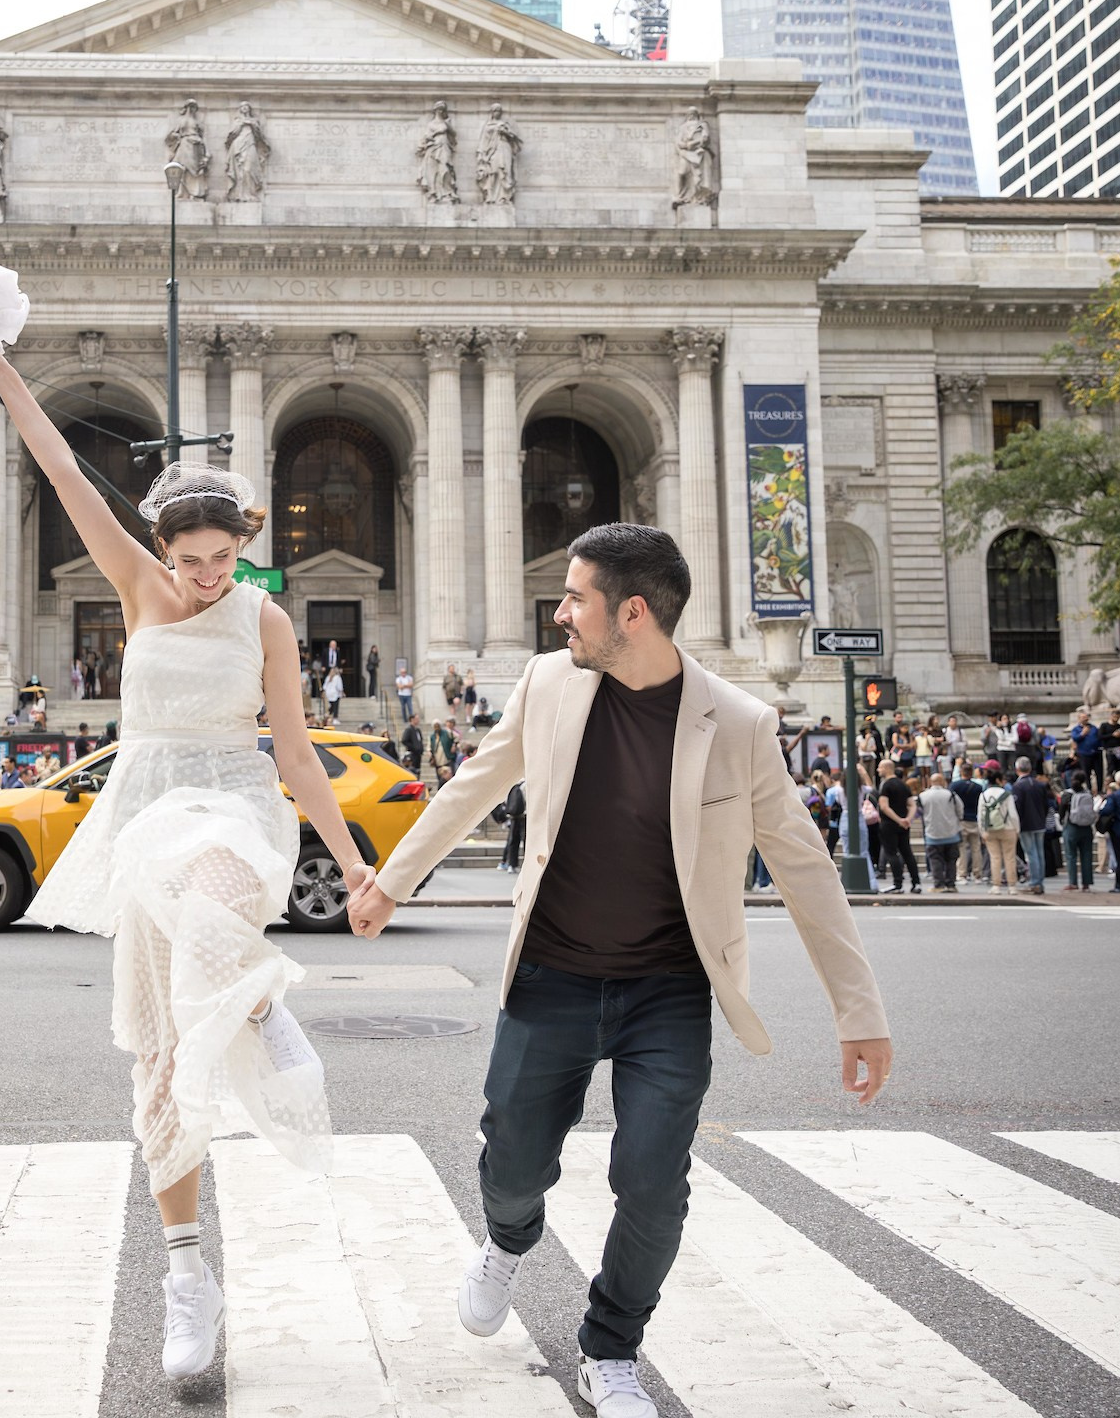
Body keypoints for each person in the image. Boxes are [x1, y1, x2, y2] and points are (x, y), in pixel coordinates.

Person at [346, 522, 889, 1416]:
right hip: (551, 975)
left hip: (668, 992)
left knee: (651, 1180)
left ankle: (611, 1347)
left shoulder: (740, 725)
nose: (558, 614)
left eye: (574, 600)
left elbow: (802, 866)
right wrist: (392, 885)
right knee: (511, 1166)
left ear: (631, 613)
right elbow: (472, 785)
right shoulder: (549, 683)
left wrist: (858, 1011)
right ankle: (509, 1241)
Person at [0, 334, 375, 1381]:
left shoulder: (268, 620)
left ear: (246, 540)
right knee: (156, 1063)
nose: (201, 579)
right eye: (186, 560)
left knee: (216, 903)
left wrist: (355, 865)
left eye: (220, 558)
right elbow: (63, 470)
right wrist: (6, 374)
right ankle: (187, 1273)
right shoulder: (139, 587)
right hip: (143, 806)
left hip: (233, 804)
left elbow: (294, 750)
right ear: (162, 549)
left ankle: (256, 1002)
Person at [876, 758, 921, 893]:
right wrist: (907, 819)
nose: (878, 770)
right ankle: (916, 882)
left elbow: (884, 806)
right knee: (907, 853)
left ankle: (898, 883)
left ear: (886, 768)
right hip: (903, 826)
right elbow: (912, 804)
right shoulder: (903, 785)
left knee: (891, 853)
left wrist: (898, 819)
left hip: (889, 824)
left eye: (880, 768)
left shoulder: (886, 785)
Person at [917, 773, 964, 891]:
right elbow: (960, 810)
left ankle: (938, 884)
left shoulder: (923, 796)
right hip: (951, 832)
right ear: (943, 782)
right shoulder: (951, 795)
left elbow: (919, 812)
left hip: (932, 833)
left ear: (930, 782)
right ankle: (951, 884)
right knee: (951, 860)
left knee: (935, 859)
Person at [978, 765, 1020, 893]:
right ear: (998, 780)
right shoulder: (1006, 795)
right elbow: (1013, 814)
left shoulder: (983, 795)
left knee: (995, 857)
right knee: (1010, 857)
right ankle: (1012, 886)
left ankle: (996, 885)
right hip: (1008, 828)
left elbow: (980, 815)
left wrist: (982, 832)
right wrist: (1017, 830)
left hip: (990, 830)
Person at [1011, 755, 1050, 894]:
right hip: (1039, 822)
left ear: (1017, 769)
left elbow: (1017, 807)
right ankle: (1039, 881)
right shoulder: (1039, 785)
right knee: (1039, 853)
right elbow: (1046, 805)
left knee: (1031, 853)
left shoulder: (1018, 786)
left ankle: (1035, 882)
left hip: (1026, 823)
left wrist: (1017, 824)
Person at [1059, 774, 1097, 890]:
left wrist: (1062, 820)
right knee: (1086, 855)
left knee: (1071, 855)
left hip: (1072, 826)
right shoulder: (1088, 793)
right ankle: (1086, 883)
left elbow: (1061, 810)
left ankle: (1073, 882)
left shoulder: (1067, 794)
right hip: (1086, 827)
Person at [950, 761, 985, 884]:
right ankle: (978, 875)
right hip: (974, 819)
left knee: (962, 848)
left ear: (961, 772)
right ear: (971, 773)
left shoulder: (954, 786)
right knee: (976, 848)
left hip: (961, 820)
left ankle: (962, 874)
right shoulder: (978, 787)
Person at [499, 781, 526, 872]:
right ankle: (527, 863)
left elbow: (507, 801)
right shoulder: (526, 784)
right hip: (525, 816)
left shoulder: (514, 785)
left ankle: (511, 864)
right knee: (526, 841)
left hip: (514, 816)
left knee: (513, 841)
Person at [401, 713, 425, 778]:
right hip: (412, 754)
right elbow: (404, 740)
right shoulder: (409, 729)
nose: (418, 720)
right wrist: (413, 748)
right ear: (412, 719)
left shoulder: (417, 730)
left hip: (418, 754)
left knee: (418, 770)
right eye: (416, 719)